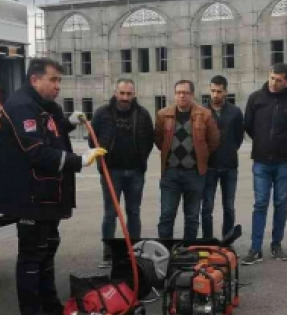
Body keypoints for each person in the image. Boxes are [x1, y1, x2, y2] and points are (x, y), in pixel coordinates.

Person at [0, 59, 106, 315]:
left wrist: (67, 123)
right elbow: (37, 151)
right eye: (53, 80)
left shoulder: (44, 106)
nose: (58, 87)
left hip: (48, 197)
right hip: (30, 196)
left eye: (59, 81)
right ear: (35, 79)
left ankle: (51, 306)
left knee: (47, 251)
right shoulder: (21, 107)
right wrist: (79, 161)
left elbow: (50, 131)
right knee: (32, 256)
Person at [242, 63, 287, 264]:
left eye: (279, 80)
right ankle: (255, 248)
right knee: (260, 203)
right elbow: (249, 126)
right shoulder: (255, 98)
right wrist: (262, 142)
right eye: (271, 78)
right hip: (261, 160)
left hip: (285, 162)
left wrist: (285, 142)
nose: (274, 82)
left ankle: (276, 245)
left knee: (280, 203)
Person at [89, 78, 154, 268]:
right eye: (122, 93)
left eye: (129, 93)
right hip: (111, 172)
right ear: (115, 93)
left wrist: (140, 159)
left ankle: (134, 252)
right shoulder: (102, 113)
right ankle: (108, 254)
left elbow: (149, 140)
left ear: (134, 94)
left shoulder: (142, 115)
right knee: (110, 214)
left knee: (134, 212)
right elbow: (92, 141)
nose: (125, 97)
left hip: (135, 172)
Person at [155, 80, 220, 241]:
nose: (181, 96)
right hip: (170, 173)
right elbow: (158, 140)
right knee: (167, 215)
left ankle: (188, 251)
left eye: (185, 92)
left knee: (191, 217)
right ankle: (165, 250)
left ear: (192, 95)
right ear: (174, 94)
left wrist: (201, 155)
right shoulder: (163, 115)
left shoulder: (204, 114)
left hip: (195, 173)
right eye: (178, 92)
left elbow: (213, 141)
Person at [201, 76, 245, 240]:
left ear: (225, 92)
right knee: (207, 207)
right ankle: (208, 241)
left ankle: (227, 240)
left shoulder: (235, 112)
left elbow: (239, 138)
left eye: (219, 91)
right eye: (213, 91)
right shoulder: (202, 112)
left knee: (229, 206)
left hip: (229, 166)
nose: (215, 95)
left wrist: (229, 150)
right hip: (209, 167)